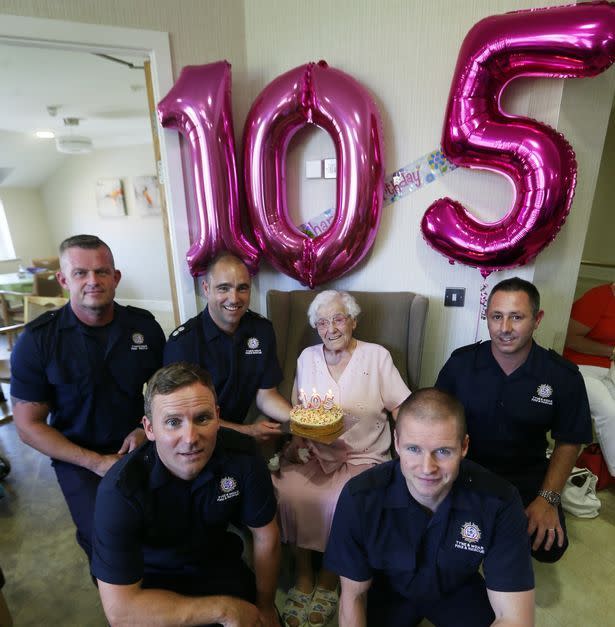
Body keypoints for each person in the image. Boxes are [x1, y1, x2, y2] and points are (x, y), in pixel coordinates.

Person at [10, 234, 165, 561]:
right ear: (63, 279)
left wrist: (145, 429)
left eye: (102, 272)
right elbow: (27, 426)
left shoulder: (145, 328)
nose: (93, 281)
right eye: (81, 273)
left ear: (116, 277)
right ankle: (121, 606)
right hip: (78, 456)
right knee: (105, 543)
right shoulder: (38, 341)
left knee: (167, 524)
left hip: (141, 443)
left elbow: (163, 391)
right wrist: (94, 462)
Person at [91, 362, 281, 627]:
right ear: (149, 429)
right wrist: (224, 610)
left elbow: (266, 535)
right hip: (150, 584)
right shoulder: (120, 491)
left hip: (218, 565)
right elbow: (122, 611)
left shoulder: (243, 456)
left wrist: (266, 606)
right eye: (172, 422)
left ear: (217, 416)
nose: (190, 437)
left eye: (202, 418)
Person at [324, 389, 535, 627]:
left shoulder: (500, 502)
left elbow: (514, 619)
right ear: (397, 443)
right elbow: (354, 596)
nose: (427, 468)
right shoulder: (360, 498)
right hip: (387, 591)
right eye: (414, 449)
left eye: (443, 451)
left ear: (464, 446)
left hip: (456, 589)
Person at [273, 290, 410, 627]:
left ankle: (330, 577)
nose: (330, 328)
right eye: (322, 322)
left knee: (342, 501)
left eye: (338, 318)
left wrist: (409, 447)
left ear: (353, 321)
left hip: (364, 457)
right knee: (288, 491)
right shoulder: (306, 358)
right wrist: (295, 443)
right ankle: (304, 574)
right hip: (314, 454)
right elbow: (300, 414)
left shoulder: (376, 357)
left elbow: (402, 408)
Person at [436, 277, 592, 563]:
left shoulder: (562, 376)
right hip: (466, 469)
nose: (504, 328)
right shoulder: (461, 364)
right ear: (487, 317)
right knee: (451, 541)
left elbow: (569, 440)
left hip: (524, 474)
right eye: (496, 317)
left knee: (549, 547)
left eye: (516, 317)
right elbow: (435, 422)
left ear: (537, 319)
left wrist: (548, 499)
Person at [164, 252, 291, 441]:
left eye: (242, 288)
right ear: (206, 288)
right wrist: (248, 432)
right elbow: (188, 416)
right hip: (197, 439)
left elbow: (266, 395)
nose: (234, 298)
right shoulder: (183, 343)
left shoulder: (261, 330)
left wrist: (303, 422)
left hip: (240, 435)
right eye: (224, 288)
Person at [563, 282, 615, 475]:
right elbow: (571, 339)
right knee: (609, 412)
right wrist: (612, 351)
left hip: (608, 368)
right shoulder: (600, 296)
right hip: (579, 367)